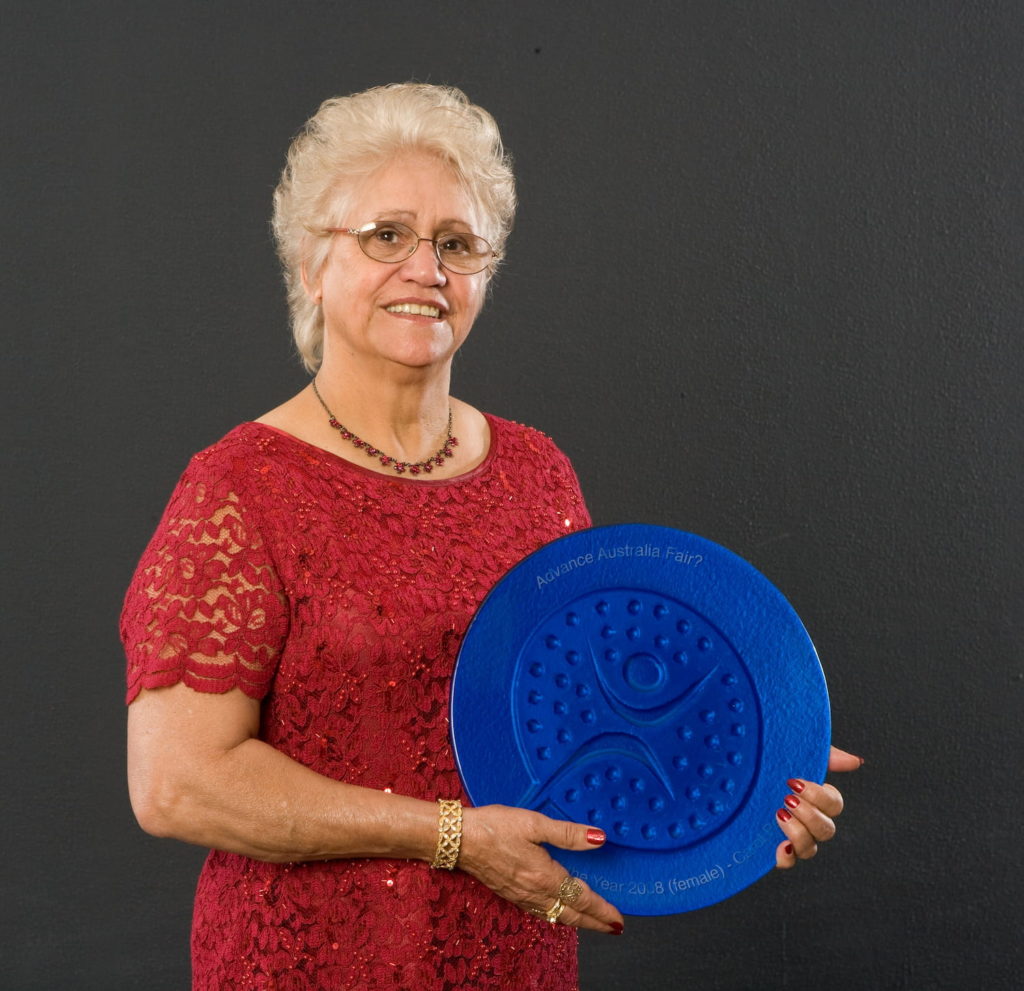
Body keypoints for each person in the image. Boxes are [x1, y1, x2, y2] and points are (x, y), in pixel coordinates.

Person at [122, 83, 859, 990]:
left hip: (515, 956)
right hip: (311, 962)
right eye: (385, 235)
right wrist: (454, 837)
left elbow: (593, 717)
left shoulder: (537, 472)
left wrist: (751, 767)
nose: (424, 268)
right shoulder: (239, 487)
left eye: (457, 243)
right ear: (312, 264)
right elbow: (176, 783)